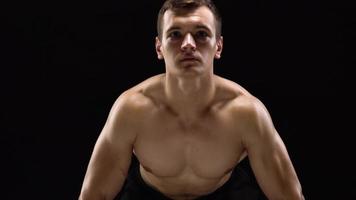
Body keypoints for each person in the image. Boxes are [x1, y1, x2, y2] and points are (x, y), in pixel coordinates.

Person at [79, 0, 304, 199]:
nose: (188, 44)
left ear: (219, 46)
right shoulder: (131, 110)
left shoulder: (247, 113)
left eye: (201, 34)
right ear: (159, 47)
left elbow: (289, 196)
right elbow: (94, 195)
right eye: (175, 34)